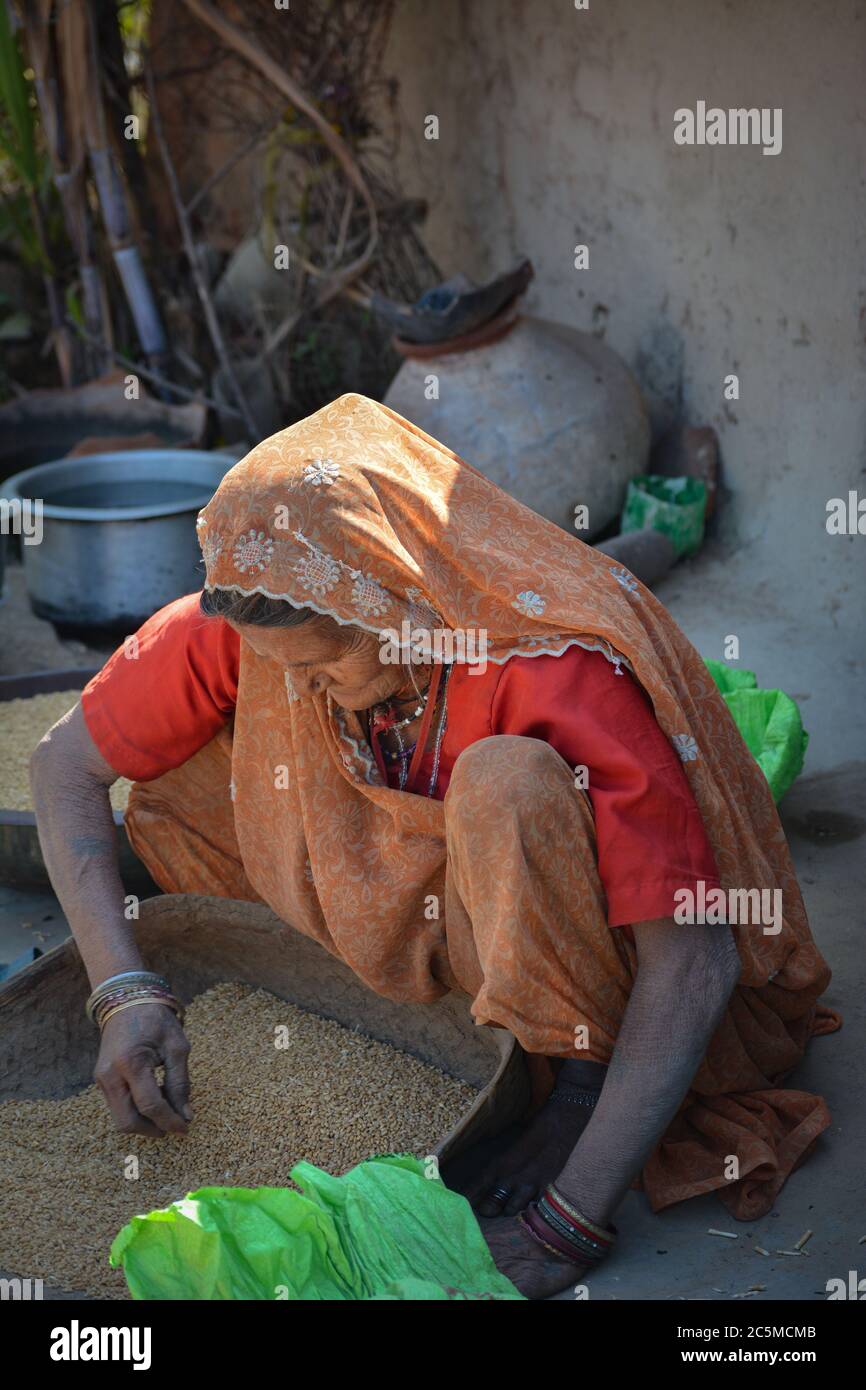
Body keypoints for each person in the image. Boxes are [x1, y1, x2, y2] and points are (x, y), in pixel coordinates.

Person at [31, 393, 838, 1299]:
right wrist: (123, 989)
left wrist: (566, 1225)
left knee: (509, 783)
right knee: (169, 782)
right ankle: (372, 1010)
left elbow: (694, 961)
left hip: (553, 940)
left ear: (399, 598)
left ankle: (570, 1080)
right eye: (285, 667)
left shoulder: (551, 668)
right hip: (406, 910)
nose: (312, 693)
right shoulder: (259, 631)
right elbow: (61, 768)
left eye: (327, 664)